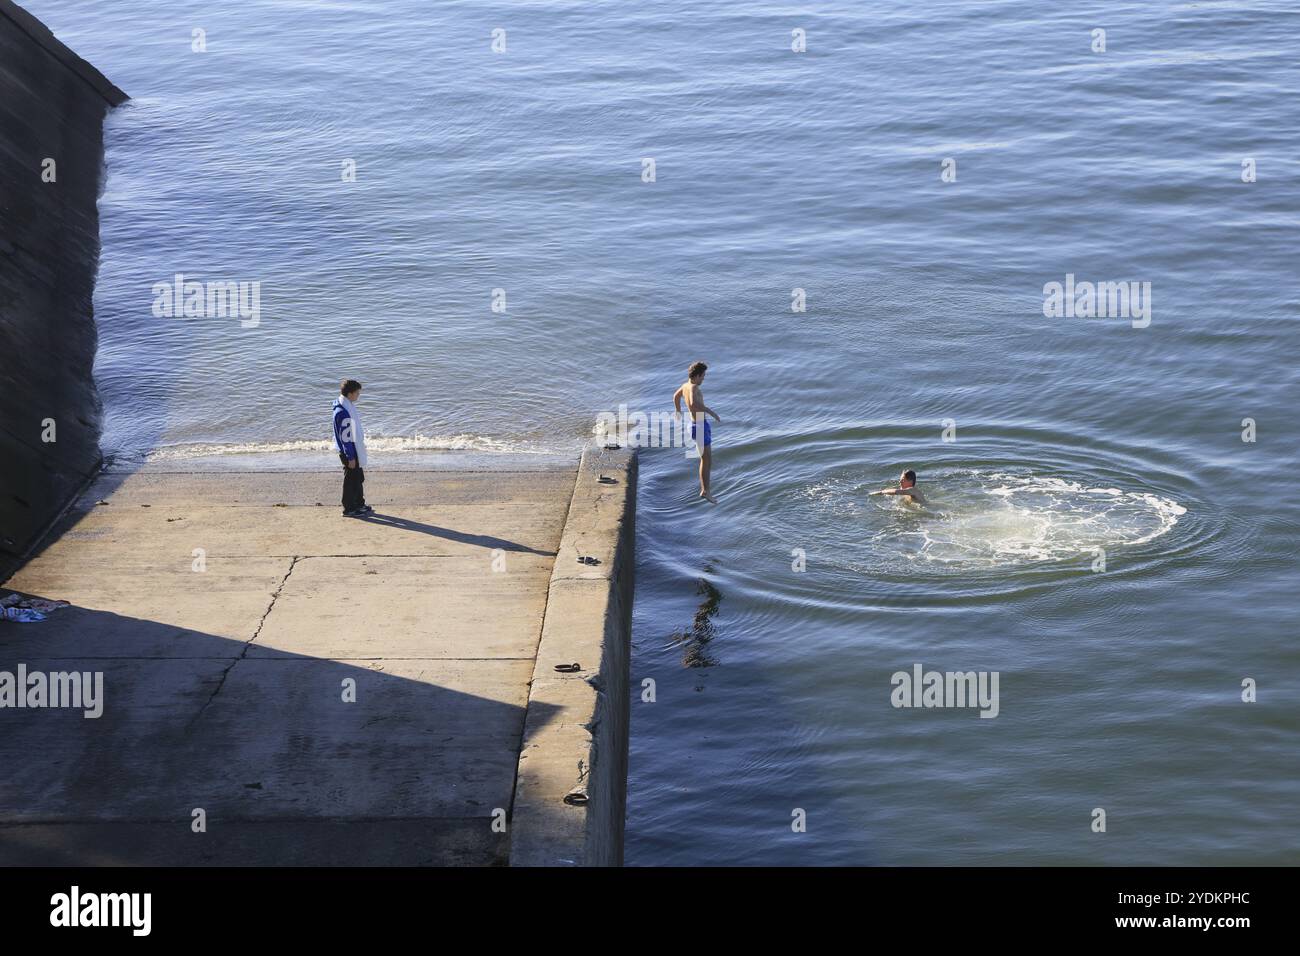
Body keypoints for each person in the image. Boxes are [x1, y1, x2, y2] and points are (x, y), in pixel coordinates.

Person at [672, 361, 722, 502]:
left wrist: (678, 410)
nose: (704, 379)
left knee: (705, 459)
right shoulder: (693, 387)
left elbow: (675, 396)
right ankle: (705, 491)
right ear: (697, 375)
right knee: (706, 460)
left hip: (694, 424)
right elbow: (694, 403)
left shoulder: (685, 386)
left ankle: (705, 490)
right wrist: (710, 411)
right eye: (703, 376)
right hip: (699, 426)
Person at [332, 379, 372, 517]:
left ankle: (359, 504)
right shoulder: (342, 412)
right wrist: (350, 457)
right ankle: (349, 508)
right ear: (350, 394)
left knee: (358, 477)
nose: (358, 395)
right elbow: (345, 438)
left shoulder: (346, 405)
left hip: (353, 450)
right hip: (350, 452)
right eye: (357, 393)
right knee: (351, 480)